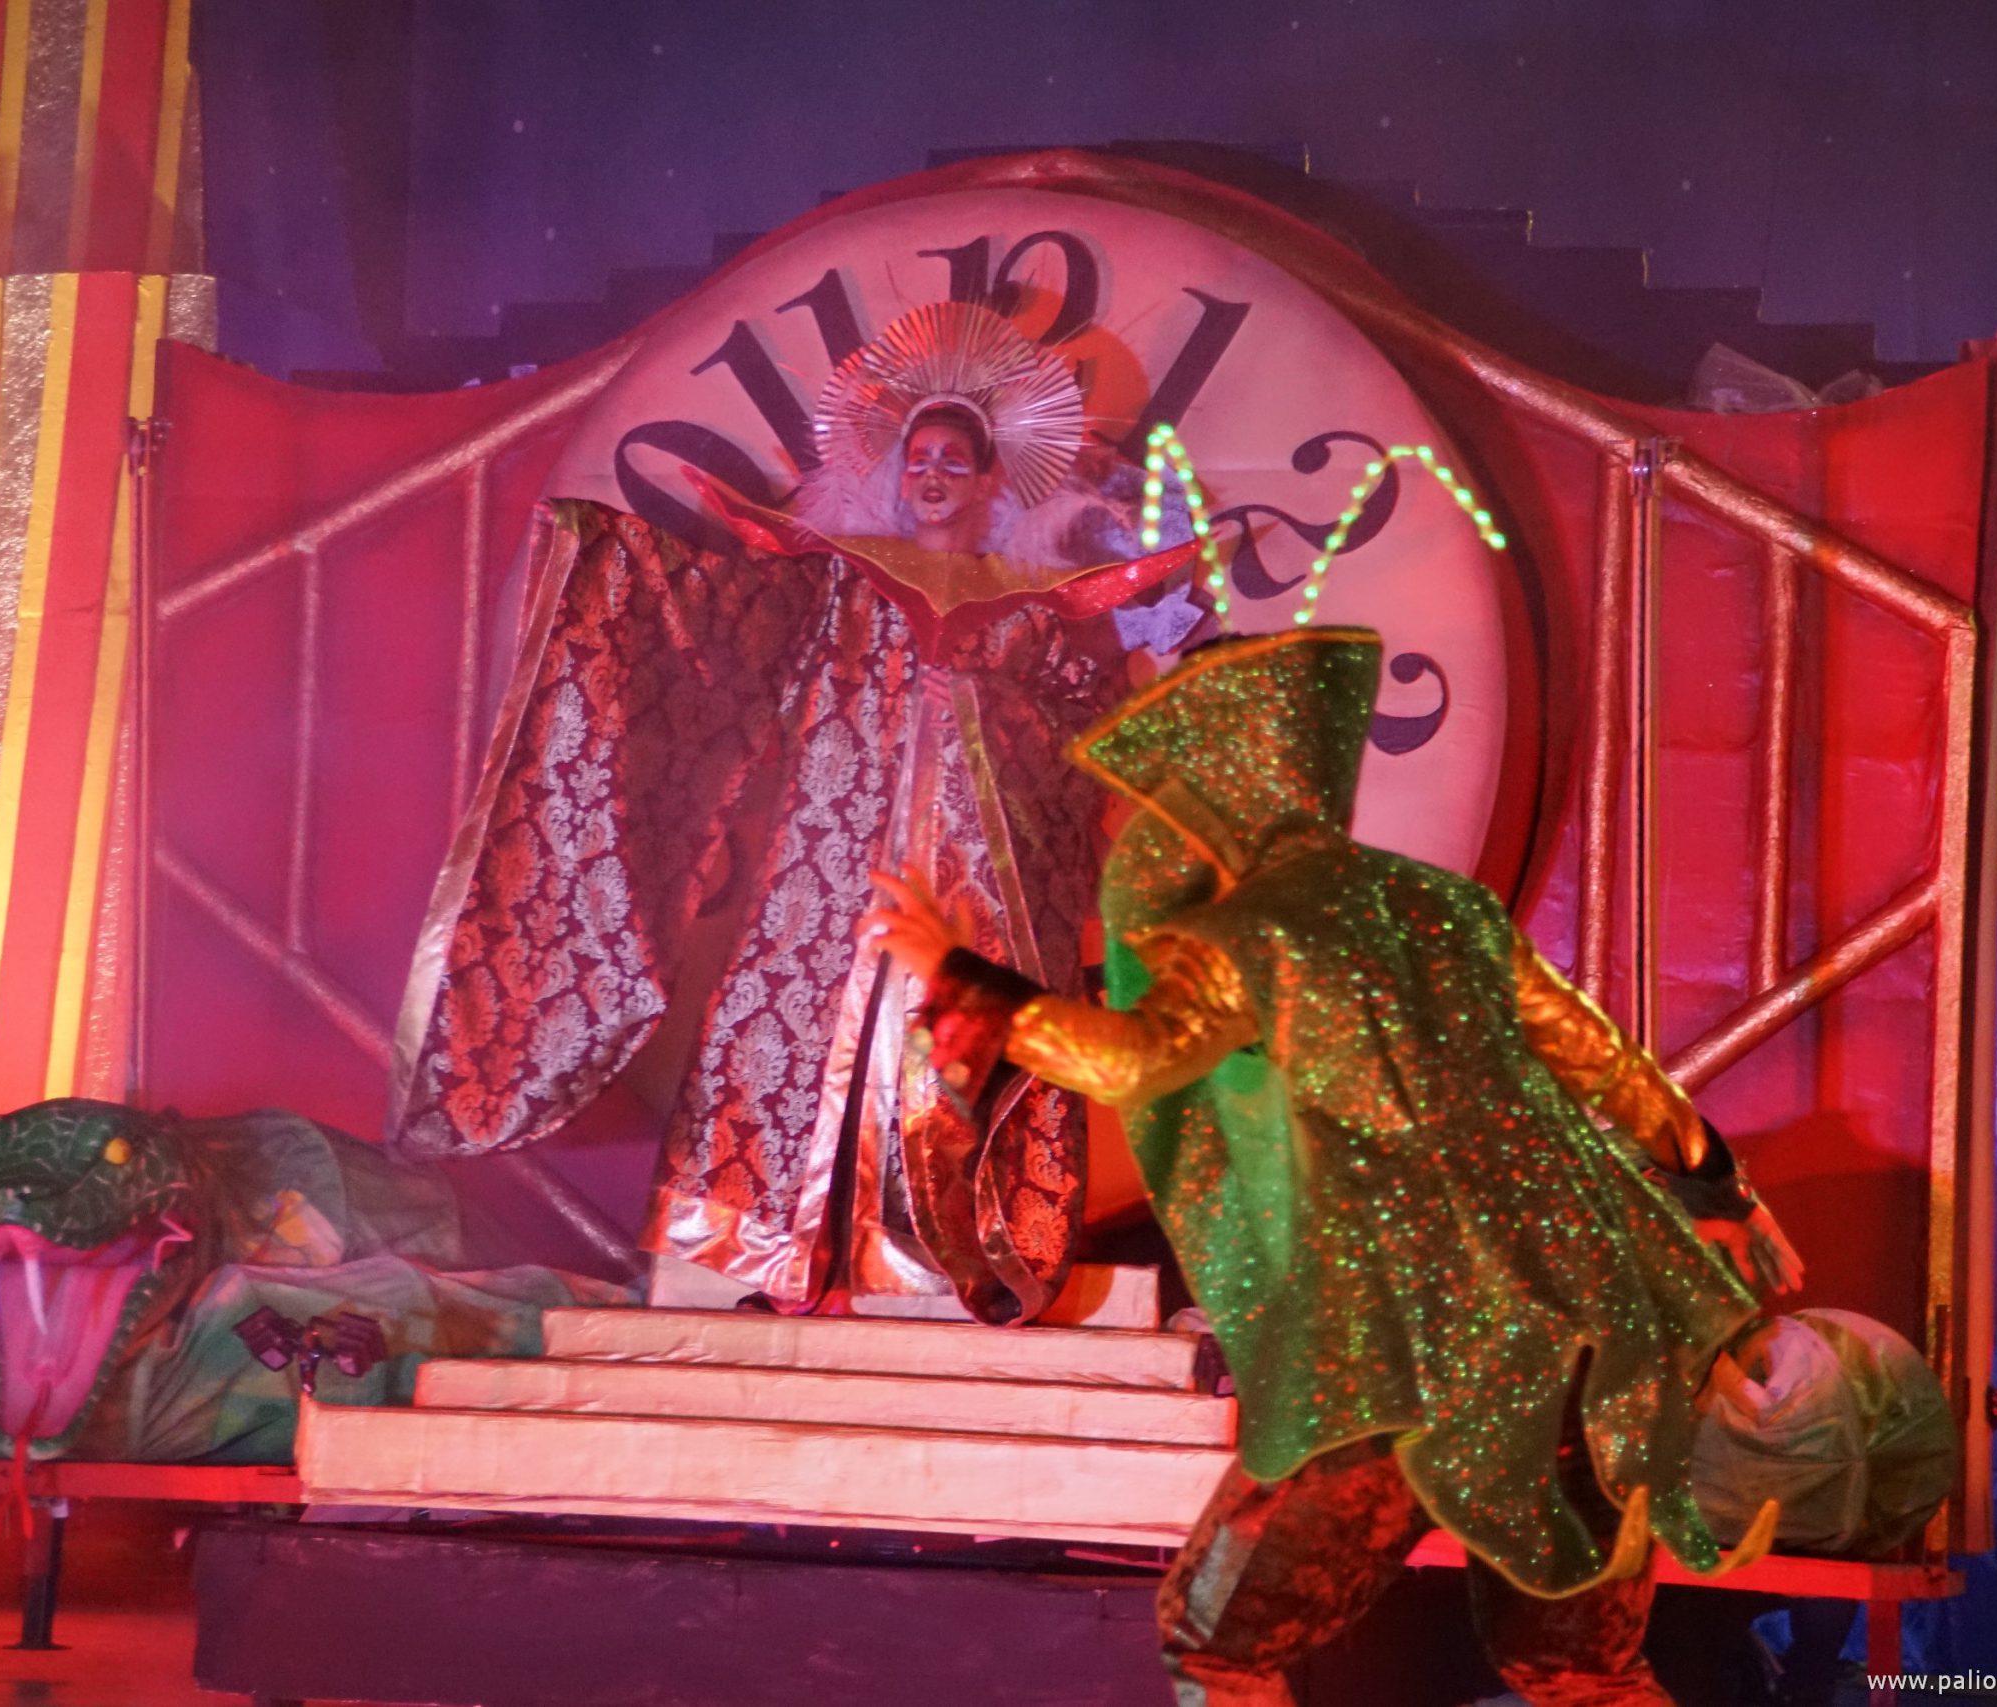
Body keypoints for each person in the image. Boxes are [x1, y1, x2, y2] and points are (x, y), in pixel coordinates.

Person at [864, 628, 1805, 1707]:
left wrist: (958, 978)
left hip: (1406, 1355)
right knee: (1579, 1667)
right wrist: (1713, 1184)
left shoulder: (1249, 934)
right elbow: (1603, 1059)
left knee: (1218, 1645)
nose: (1141, 820)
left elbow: (1130, 1061)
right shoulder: (1444, 906)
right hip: (1592, 1340)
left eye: (1163, 789)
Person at [394, 300, 1198, 1323]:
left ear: (992, 480)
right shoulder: (837, 584)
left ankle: (939, 1259)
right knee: (791, 1045)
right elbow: (711, 628)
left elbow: (1078, 740)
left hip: (967, 888)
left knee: (943, 1051)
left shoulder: (1034, 611)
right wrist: (611, 554)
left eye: (956, 461)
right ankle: (773, 1253)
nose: (934, 475)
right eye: (919, 458)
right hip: (826, 874)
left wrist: (1013, 711)